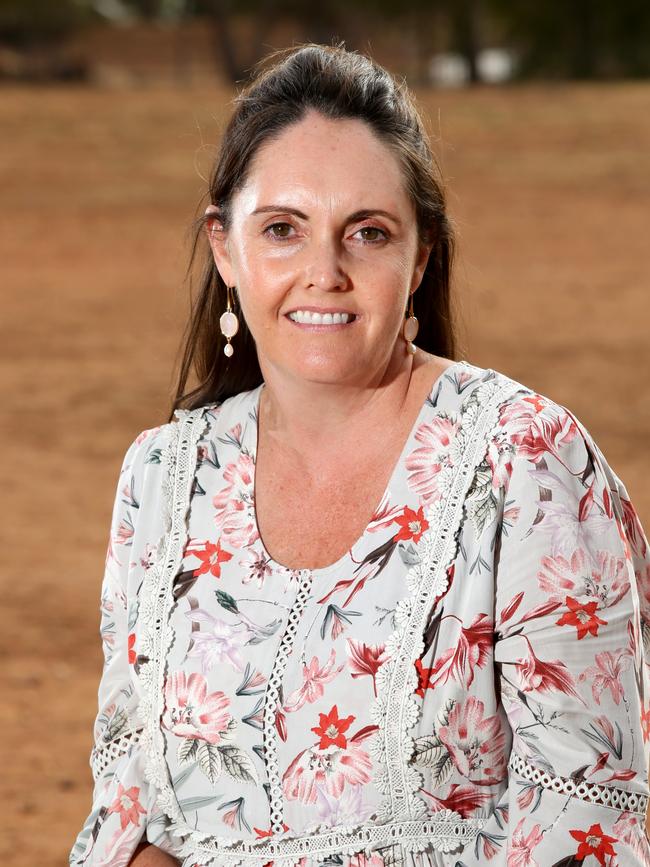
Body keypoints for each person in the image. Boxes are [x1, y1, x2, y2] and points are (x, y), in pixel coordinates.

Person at [70, 43, 650, 867]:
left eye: (368, 233)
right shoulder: (160, 478)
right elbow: (127, 806)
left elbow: (590, 829)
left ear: (420, 256)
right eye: (282, 229)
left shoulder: (526, 465)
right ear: (226, 248)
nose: (325, 273)